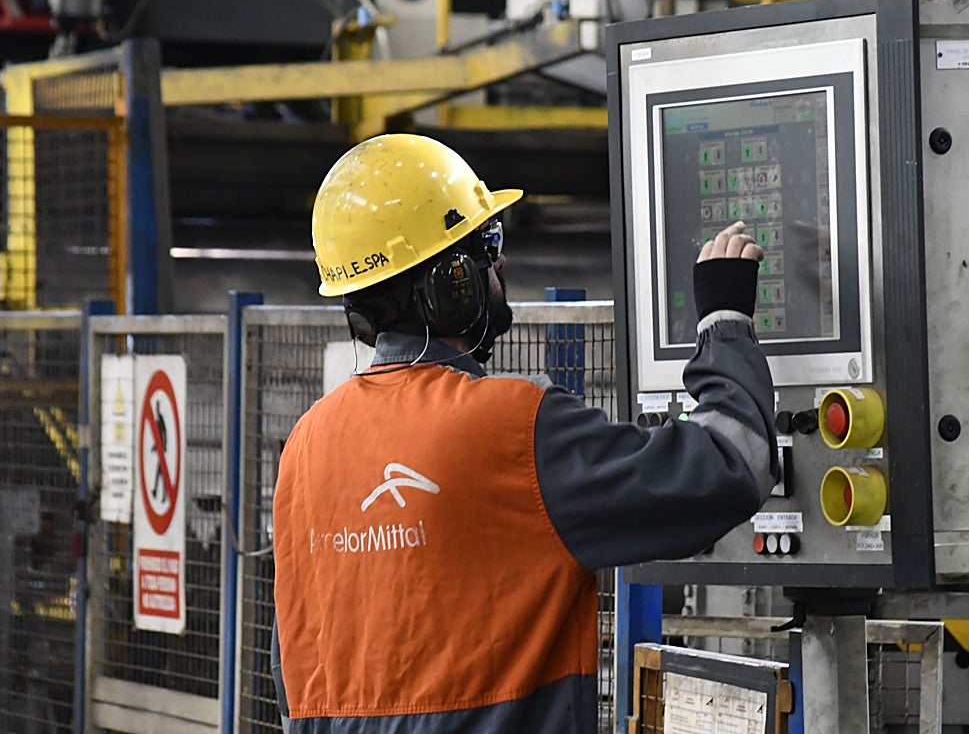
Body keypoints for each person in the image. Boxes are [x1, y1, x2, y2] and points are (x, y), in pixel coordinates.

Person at [271, 133, 776, 733]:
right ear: (450, 282)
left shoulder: (305, 445)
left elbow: (295, 668)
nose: (501, 262)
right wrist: (725, 320)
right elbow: (731, 464)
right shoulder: (510, 427)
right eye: (487, 245)